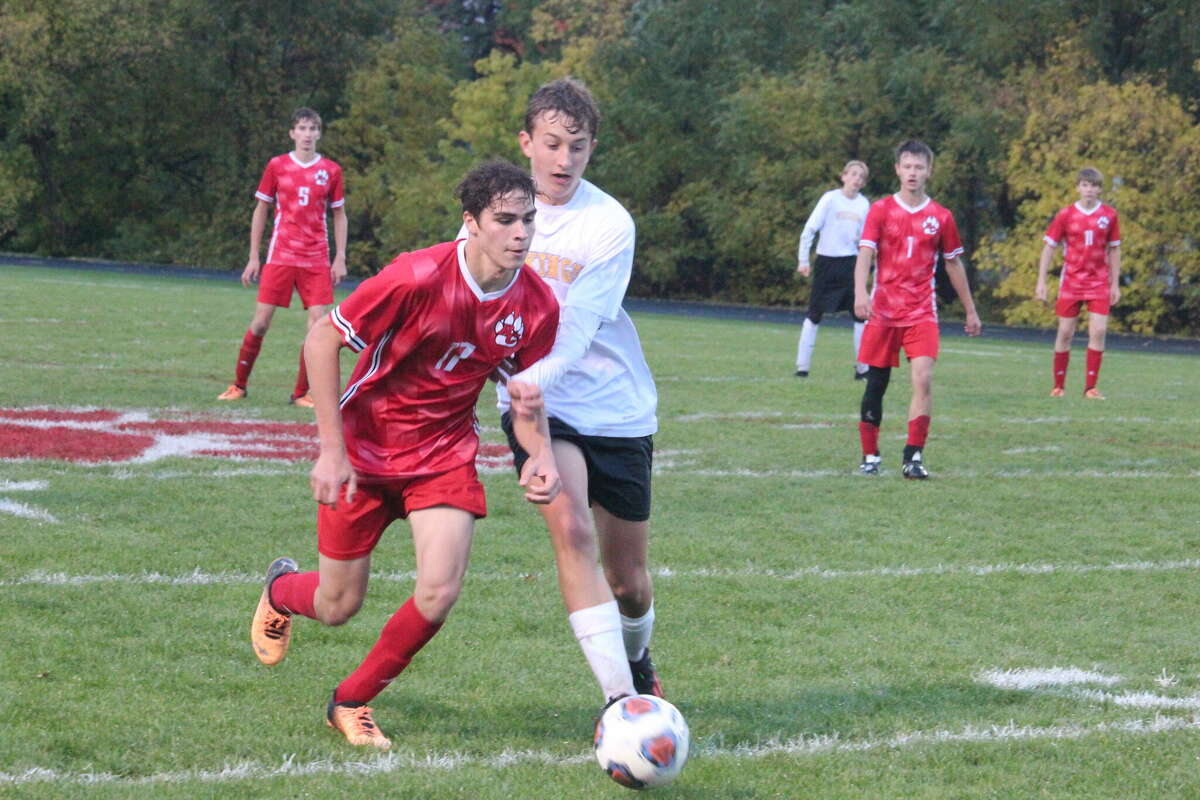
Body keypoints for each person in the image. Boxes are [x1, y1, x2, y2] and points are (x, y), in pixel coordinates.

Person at [249, 160, 562, 749]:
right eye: (505, 220)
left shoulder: (538, 305)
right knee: (338, 604)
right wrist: (330, 451)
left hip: (443, 455)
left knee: (439, 590)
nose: (520, 233)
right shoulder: (416, 275)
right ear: (471, 223)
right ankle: (281, 590)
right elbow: (321, 338)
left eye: (528, 219)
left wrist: (539, 451)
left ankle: (351, 699)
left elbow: (523, 397)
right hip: (364, 453)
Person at [495, 78, 663, 713]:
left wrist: (536, 373)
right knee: (570, 529)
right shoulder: (496, 213)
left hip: (615, 409)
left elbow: (580, 324)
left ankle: (639, 658)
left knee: (630, 584)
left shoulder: (608, 222)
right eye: (553, 144)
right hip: (539, 409)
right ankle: (621, 702)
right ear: (527, 143)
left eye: (579, 146)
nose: (564, 160)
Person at [853, 140, 982, 479]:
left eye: (919, 167)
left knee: (923, 380)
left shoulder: (941, 217)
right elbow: (865, 254)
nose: (913, 173)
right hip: (882, 311)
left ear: (929, 171)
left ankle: (913, 456)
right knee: (876, 384)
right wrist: (860, 292)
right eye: (907, 166)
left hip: (921, 312)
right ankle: (870, 455)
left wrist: (970, 310)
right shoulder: (880, 210)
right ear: (897, 169)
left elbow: (954, 265)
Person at [219, 107, 348, 406]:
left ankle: (301, 392)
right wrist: (254, 256)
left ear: (319, 133)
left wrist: (340, 257)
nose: (307, 134)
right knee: (261, 323)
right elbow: (261, 209)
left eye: (313, 128)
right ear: (292, 133)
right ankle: (238, 385)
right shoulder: (277, 166)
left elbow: (339, 214)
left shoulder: (331, 171)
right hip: (281, 255)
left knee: (318, 326)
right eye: (301, 128)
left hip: (316, 259)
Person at [1035, 167, 1121, 399]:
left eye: (1093, 185)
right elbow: (1049, 247)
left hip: (1099, 282)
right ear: (1077, 187)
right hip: (1071, 282)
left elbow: (1114, 250)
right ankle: (1058, 386)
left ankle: (1090, 388)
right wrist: (1041, 281)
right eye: (1084, 185)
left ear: (1100, 189)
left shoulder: (1109, 215)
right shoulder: (1065, 215)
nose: (1089, 189)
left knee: (1099, 330)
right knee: (1064, 332)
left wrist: (1115, 284)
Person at [795, 160, 871, 380]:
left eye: (861, 177)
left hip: (851, 265)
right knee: (814, 314)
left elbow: (866, 239)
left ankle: (862, 369)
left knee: (860, 315)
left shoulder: (863, 204)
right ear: (844, 176)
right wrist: (803, 260)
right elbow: (809, 229)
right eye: (853, 174)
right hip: (826, 263)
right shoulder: (830, 199)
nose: (856, 179)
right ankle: (802, 368)